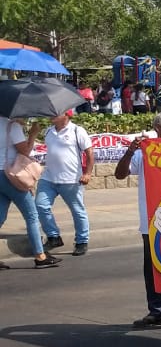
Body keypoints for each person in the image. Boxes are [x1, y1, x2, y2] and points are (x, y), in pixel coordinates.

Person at [114, 112, 161, 330]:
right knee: (151, 269)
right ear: (158, 128)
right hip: (152, 222)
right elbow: (120, 174)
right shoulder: (145, 153)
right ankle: (157, 312)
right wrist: (130, 151)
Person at [0, 115, 62, 269]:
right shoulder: (12, 126)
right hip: (11, 175)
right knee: (32, 215)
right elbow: (25, 151)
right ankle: (40, 256)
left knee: (0, 216)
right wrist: (33, 133)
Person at [34, 109, 93, 256]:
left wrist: (87, 173)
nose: (51, 115)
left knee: (77, 211)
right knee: (40, 205)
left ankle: (81, 241)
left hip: (71, 180)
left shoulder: (77, 131)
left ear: (66, 115)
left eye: (56, 113)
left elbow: (90, 153)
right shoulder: (49, 131)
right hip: (49, 178)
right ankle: (53, 236)